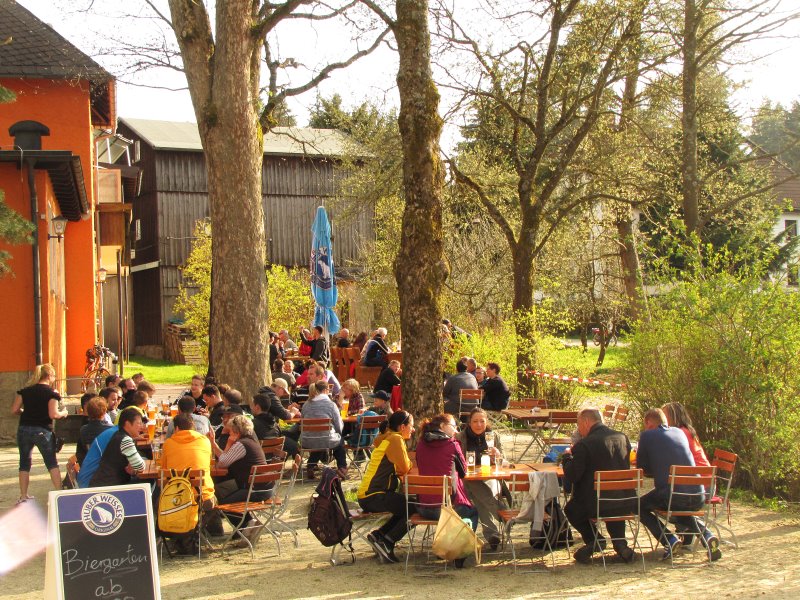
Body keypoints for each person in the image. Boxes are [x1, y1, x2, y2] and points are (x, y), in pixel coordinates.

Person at [636, 409, 721, 561]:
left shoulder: (647, 435)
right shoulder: (680, 432)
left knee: (638, 506)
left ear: (648, 423)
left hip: (673, 495)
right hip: (698, 494)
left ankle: (669, 540)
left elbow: (643, 469)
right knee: (680, 511)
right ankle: (708, 536)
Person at [561, 408, 634, 564]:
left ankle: (595, 540)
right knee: (613, 502)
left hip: (596, 502)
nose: (578, 429)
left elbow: (572, 475)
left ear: (587, 422)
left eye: (578, 424)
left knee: (571, 509)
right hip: (625, 499)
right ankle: (621, 545)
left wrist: (566, 457)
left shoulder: (584, 445)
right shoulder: (622, 438)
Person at [416, 414, 479, 567]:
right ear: (443, 426)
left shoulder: (420, 444)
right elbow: (464, 472)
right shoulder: (452, 444)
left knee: (459, 509)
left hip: (423, 507)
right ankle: (459, 553)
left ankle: (444, 548)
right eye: (453, 426)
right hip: (446, 509)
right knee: (472, 512)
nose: (456, 430)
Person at [357, 411, 415, 563]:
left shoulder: (387, 438)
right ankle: (387, 541)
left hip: (368, 494)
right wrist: (408, 464)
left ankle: (379, 536)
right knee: (414, 508)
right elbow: (404, 467)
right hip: (374, 495)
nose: (413, 430)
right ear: (402, 427)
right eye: (411, 426)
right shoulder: (395, 439)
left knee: (404, 505)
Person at [208, 415, 270, 544]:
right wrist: (214, 444)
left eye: (231, 431)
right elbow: (226, 458)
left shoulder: (241, 445)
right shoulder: (251, 441)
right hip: (265, 487)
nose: (229, 433)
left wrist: (229, 443)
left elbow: (222, 463)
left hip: (254, 490)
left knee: (223, 503)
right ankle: (247, 526)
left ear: (236, 432)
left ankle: (247, 526)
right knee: (219, 490)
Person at [11, 364, 68, 503]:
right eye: (54, 376)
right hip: (42, 430)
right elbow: (53, 414)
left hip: (24, 428)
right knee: (51, 463)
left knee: (24, 462)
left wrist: (25, 412)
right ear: (49, 376)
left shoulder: (25, 391)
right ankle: (59, 494)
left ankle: (23, 495)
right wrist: (64, 413)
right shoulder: (52, 393)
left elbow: (14, 410)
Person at [455, 408, 507, 548]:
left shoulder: (493, 436)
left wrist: (498, 457)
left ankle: (493, 534)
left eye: (482, 421)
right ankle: (502, 513)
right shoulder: (460, 437)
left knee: (478, 493)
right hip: (467, 480)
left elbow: (504, 463)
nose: (479, 425)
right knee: (474, 486)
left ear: (487, 422)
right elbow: (457, 464)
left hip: (490, 479)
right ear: (469, 423)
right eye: (475, 421)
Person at [161, 414, 216, 513]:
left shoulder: (168, 444)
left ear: (176, 428)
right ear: (193, 427)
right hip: (203, 496)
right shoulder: (205, 441)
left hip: (177, 497)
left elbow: (164, 471)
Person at [300, 381, 348, 479]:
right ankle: (342, 468)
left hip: (307, 440)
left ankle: (311, 465)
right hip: (326, 439)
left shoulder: (306, 405)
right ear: (326, 390)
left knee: (318, 439)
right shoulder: (331, 405)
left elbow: (302, 421)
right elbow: (339, 426)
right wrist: (338, 433)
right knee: (338, 441)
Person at [90, 408, 147, 487]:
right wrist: (136, 467)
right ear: (127, 424)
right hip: (111, 487)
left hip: (107, 483)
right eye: (139, 423)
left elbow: (136, 466)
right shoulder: (125, 440)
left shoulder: (118, 435)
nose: (142, 427)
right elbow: (140, 466)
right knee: (149, 480)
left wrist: (134, 469)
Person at [252, 389, 300, 457]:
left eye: (252, 405)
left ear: (257, 407)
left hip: (259, 461)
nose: (251, 408)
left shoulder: (252, 425)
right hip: (275, 462)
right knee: (293, 443)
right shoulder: (276, 426)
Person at [661, 402, 710, 467]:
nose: (662, 420)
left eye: (664, 416)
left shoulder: (679, 433)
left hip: (699, 474)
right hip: (705, 473)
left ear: (674, 417)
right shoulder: (686, 430)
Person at [75, 397, 113, 466]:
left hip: (89, 466)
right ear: (105, 411)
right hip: (108, 467)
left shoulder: (84, 430)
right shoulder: (111, 430)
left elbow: (80, 453)